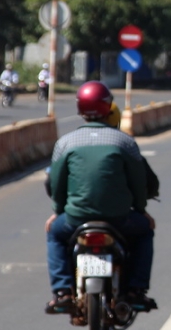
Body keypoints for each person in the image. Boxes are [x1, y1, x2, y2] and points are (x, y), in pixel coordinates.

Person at [43, 81, 157, 314]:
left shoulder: (65, 143)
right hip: (119, 219)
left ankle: (63, 291)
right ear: (108, 107)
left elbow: (56, 183)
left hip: (75, 219)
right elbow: (138, 182)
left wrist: (57, 211)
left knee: (54, 233)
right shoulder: (125, 142)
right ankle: (136, 290)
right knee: (145, 231)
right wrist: (141, 208)